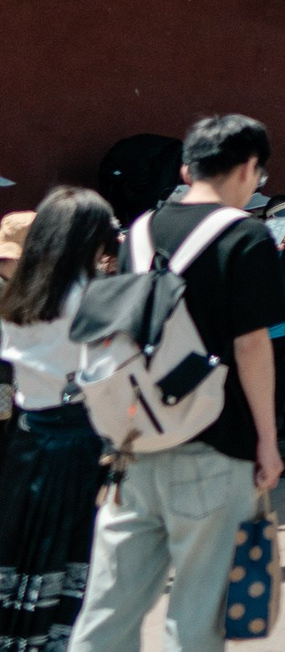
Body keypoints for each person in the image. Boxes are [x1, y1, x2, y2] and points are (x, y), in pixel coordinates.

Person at [69, 117, 285, 652]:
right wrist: (268, 440)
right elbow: (251, 346)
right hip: (215, 442)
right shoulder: (246, 236)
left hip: (135, 440)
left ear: (188, 170)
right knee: (195, 614)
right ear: (248, 168)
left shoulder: (141, 231)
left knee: (108, 608)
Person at [1, 188, 121, 652]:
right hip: (79, 438)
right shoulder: (92, 297)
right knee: (72, 549)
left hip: (28, 436)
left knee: (21, 544)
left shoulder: (18, 295)